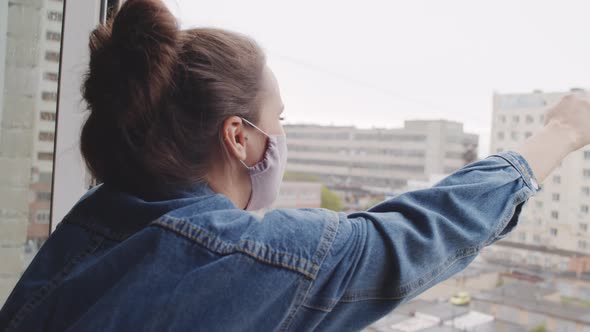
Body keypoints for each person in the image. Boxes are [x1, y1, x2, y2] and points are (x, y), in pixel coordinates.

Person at [1, 0, 589, 331]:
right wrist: (560, 134)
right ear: (239, 136)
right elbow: (419, 233)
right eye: (278, 118)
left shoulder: (91, 222)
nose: (283, 136)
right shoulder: (238, 257)